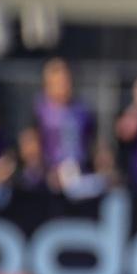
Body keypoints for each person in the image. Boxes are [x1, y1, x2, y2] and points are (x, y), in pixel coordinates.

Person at [32, 57, 96, 194]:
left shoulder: (82, 110)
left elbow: (92, 144)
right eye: (58, 82)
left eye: (66, 81)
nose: (64, 86)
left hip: (79, 178)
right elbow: (30, 147)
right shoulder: (38, 110)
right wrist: (49, 172)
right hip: (47, 180)